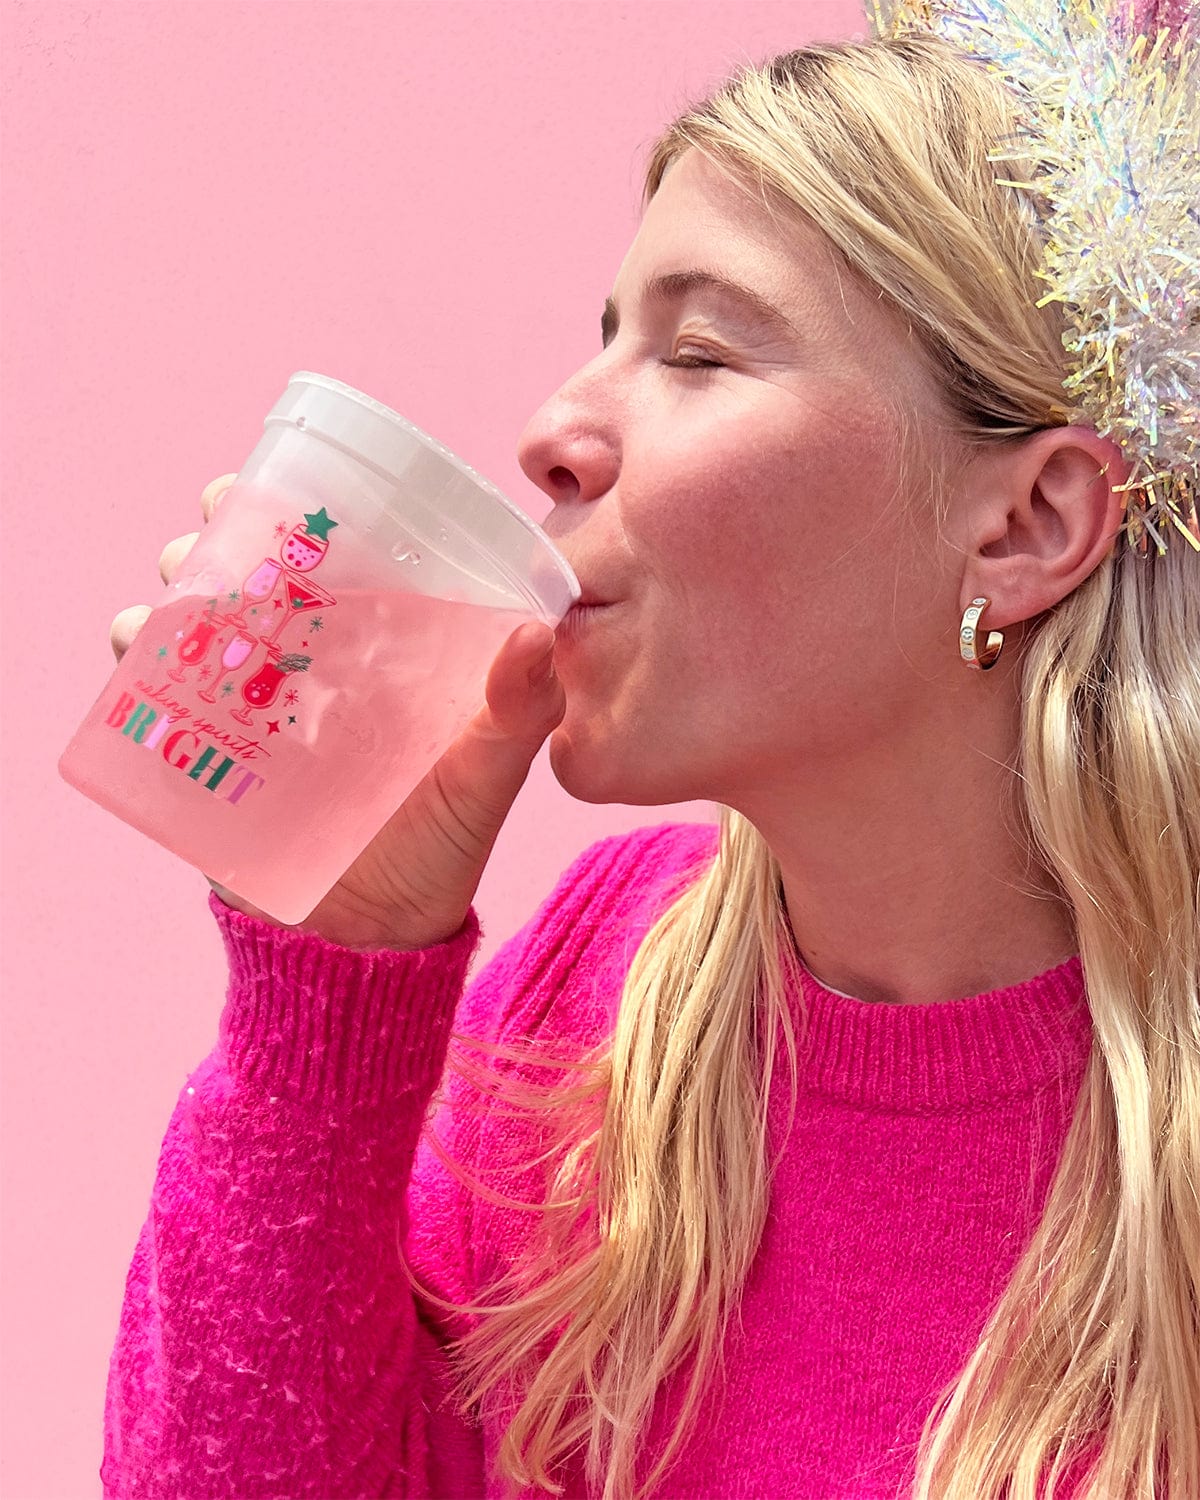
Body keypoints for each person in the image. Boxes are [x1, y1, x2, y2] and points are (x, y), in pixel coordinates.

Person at [100, 6, 1199, 1499]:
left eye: (698, 351)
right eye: (606, 337)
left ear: (1025, 527)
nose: (555, 430)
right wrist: (334, 965)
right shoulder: (598, 988)